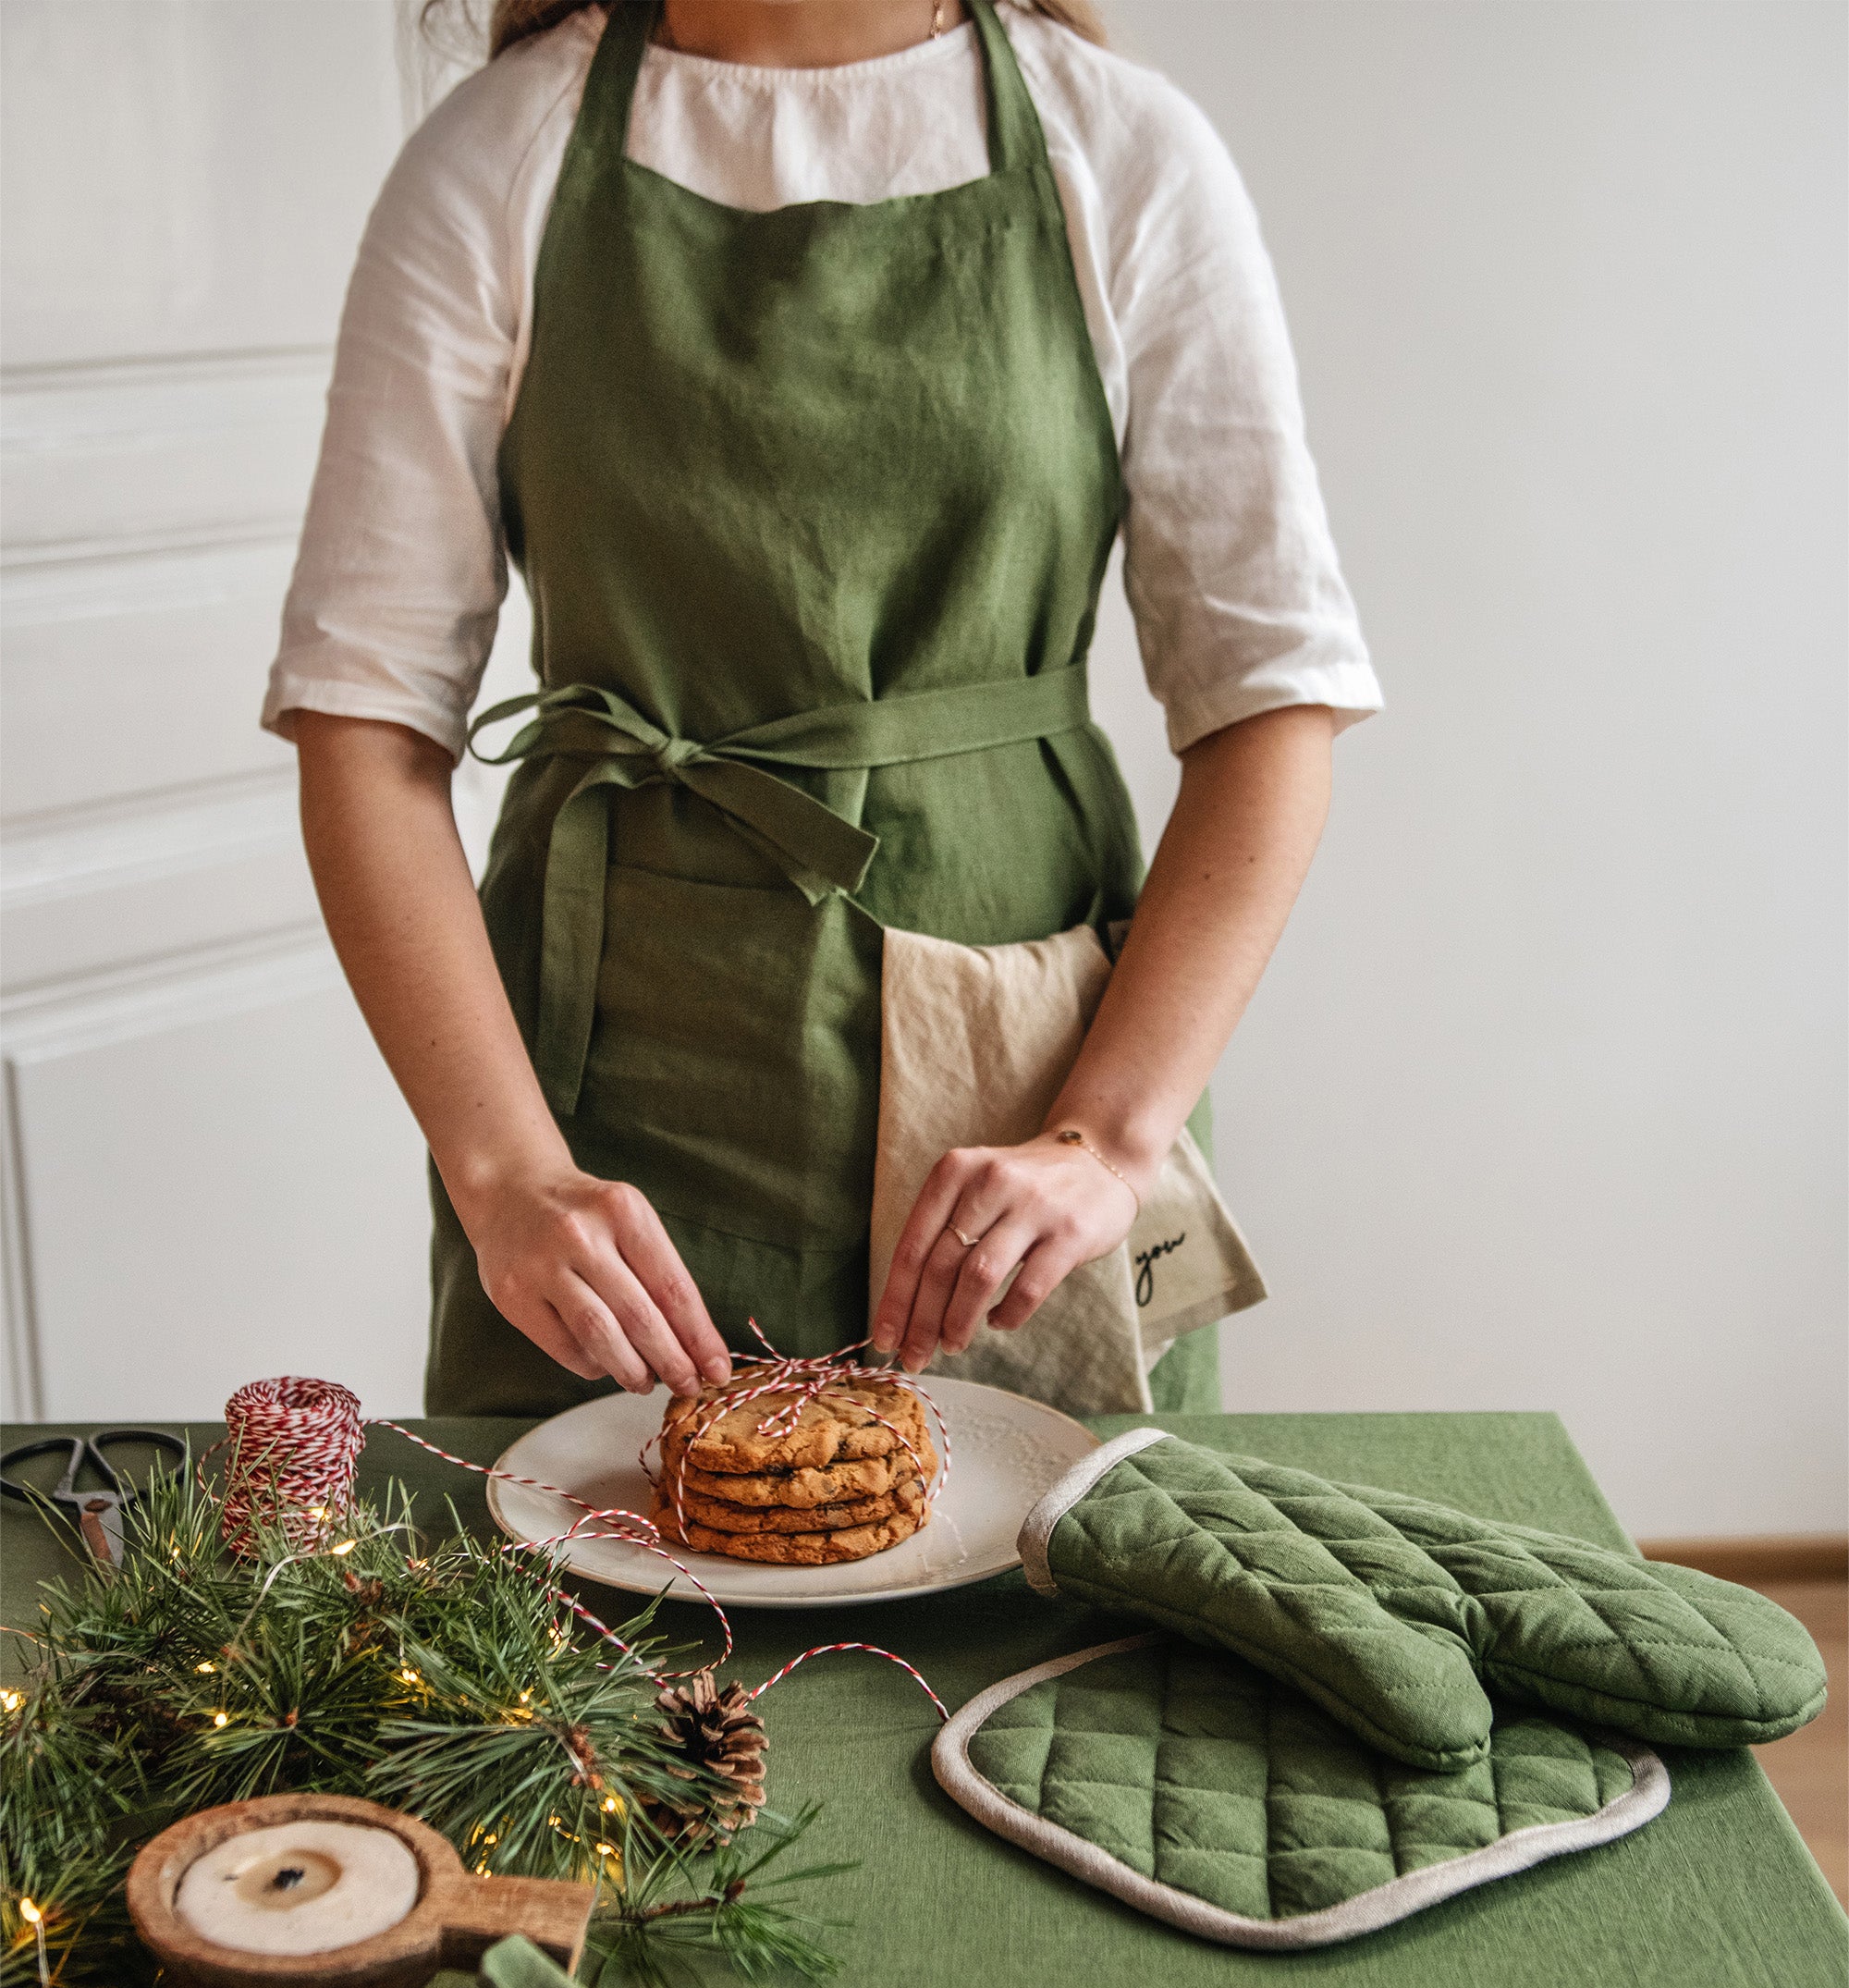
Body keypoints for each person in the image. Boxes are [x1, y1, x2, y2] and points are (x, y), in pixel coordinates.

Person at [265, 0, 1379, 1419]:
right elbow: (364, 724)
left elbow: (1269, 703)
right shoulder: (500, 154)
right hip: (607, 1104)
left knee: (1066, 1602)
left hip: (1034, 1089)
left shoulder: (1122, 149)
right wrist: (508, 1177)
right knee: (592, 1611)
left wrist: (1106, 1145)